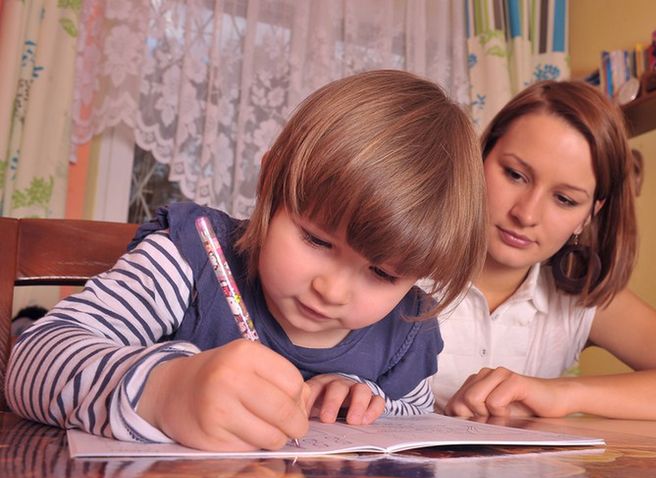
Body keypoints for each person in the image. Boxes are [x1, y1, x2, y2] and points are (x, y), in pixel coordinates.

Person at [5, 70, 488, 451]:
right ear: (270, 182)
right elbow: (31, 361)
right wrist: (165, 390)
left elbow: (418, 419)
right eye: (317, 240)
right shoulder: (190, 259)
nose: (333, 290)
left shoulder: (405, 328)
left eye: (382, 273)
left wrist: (366, 402)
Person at [433, 80, 656, 424]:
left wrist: (559, 394)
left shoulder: (579, 295)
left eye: (565, 199)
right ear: (479, 159)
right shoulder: (397, 262)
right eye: (515, 175)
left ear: (589, 214)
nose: (526, 214)